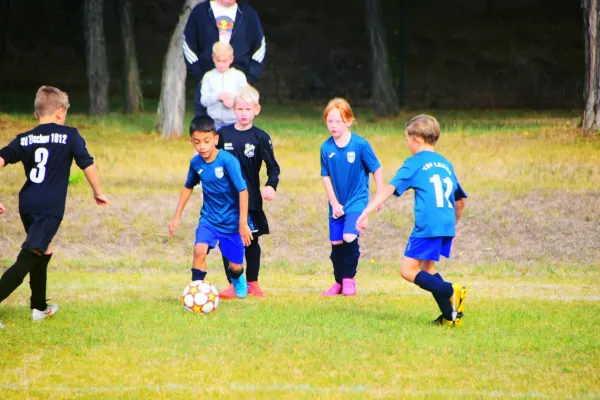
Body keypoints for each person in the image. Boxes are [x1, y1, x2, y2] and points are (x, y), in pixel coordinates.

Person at [0, 86, 107, 328]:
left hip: (27, 204)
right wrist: (98, 192)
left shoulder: (24, 138)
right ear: (60, 112)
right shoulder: (70, 135)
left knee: (43, 250)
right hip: (49, 207)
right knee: (29, 255)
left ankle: (39, 306)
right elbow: (87, 164)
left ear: (37, 114)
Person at [356, 114, 468, 326]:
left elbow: (388, 189)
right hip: (445, 224)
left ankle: (450, 290)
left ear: (417, 140)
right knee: (428, 270)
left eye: (407, 139)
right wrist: (454, 227)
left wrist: (365, 212)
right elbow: (460, 201)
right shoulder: (445, 164)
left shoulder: (414, 163)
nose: (407, 144)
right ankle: (451, 316)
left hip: (428, 225)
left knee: (408, 271)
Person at [168, 116, 253, 300]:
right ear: (191, 141)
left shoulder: (228, 161)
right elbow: (188, 187)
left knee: (235, 266)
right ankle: (195, 292)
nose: (202, 147)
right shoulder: (196, 163)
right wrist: (176, 216)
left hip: (232, 222)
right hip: (209, 219)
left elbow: (243, 190)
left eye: (207, 141)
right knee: (199, 250)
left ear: (216, 139)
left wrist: (243, 223)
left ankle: (237, 279)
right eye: (197, 142)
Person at [216, 86, 280, 299]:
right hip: (226, 201)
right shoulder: (223, 134)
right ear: (234, 109)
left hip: (251, 201)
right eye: (240, 108)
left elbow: (273, 167)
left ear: (257, 110)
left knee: (250, 240)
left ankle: (252, 282)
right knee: (227, 241)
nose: (243, 113)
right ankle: (233, 284)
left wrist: (271, 185)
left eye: (248, 109)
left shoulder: (260, 137)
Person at [320, 98, 384, 296]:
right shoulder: (326, 148)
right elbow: (325, 177)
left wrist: (379, 196)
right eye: (330, 121)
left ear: (348, 121)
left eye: (338, 121)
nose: (333, 125)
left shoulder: (360, 145)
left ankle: (349, 280)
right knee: (336, 244)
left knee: (349, 236)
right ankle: (338, 282)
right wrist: (333, 203)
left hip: (357, 200)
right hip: (336, 204)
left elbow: (376, 169)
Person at [184, 0, 266, 117]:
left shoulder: (248, 14)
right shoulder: (201, 12)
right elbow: (188, 44)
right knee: (205, 131)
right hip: (208, 85)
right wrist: (199, 77)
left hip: (238, 86)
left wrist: (249, 79)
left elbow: (260, 47)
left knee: (237, 132)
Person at [201, 41, 248, 131]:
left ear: (231, 59)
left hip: (235, 122)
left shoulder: (239, 76)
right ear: (213, 58)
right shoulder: (208, 76)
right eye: (218, 61)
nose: (221, 64)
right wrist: (217, 96)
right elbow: (203, 101)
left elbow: (245, 98)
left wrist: (233, 100)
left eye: (224, 61)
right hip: (214, 122)